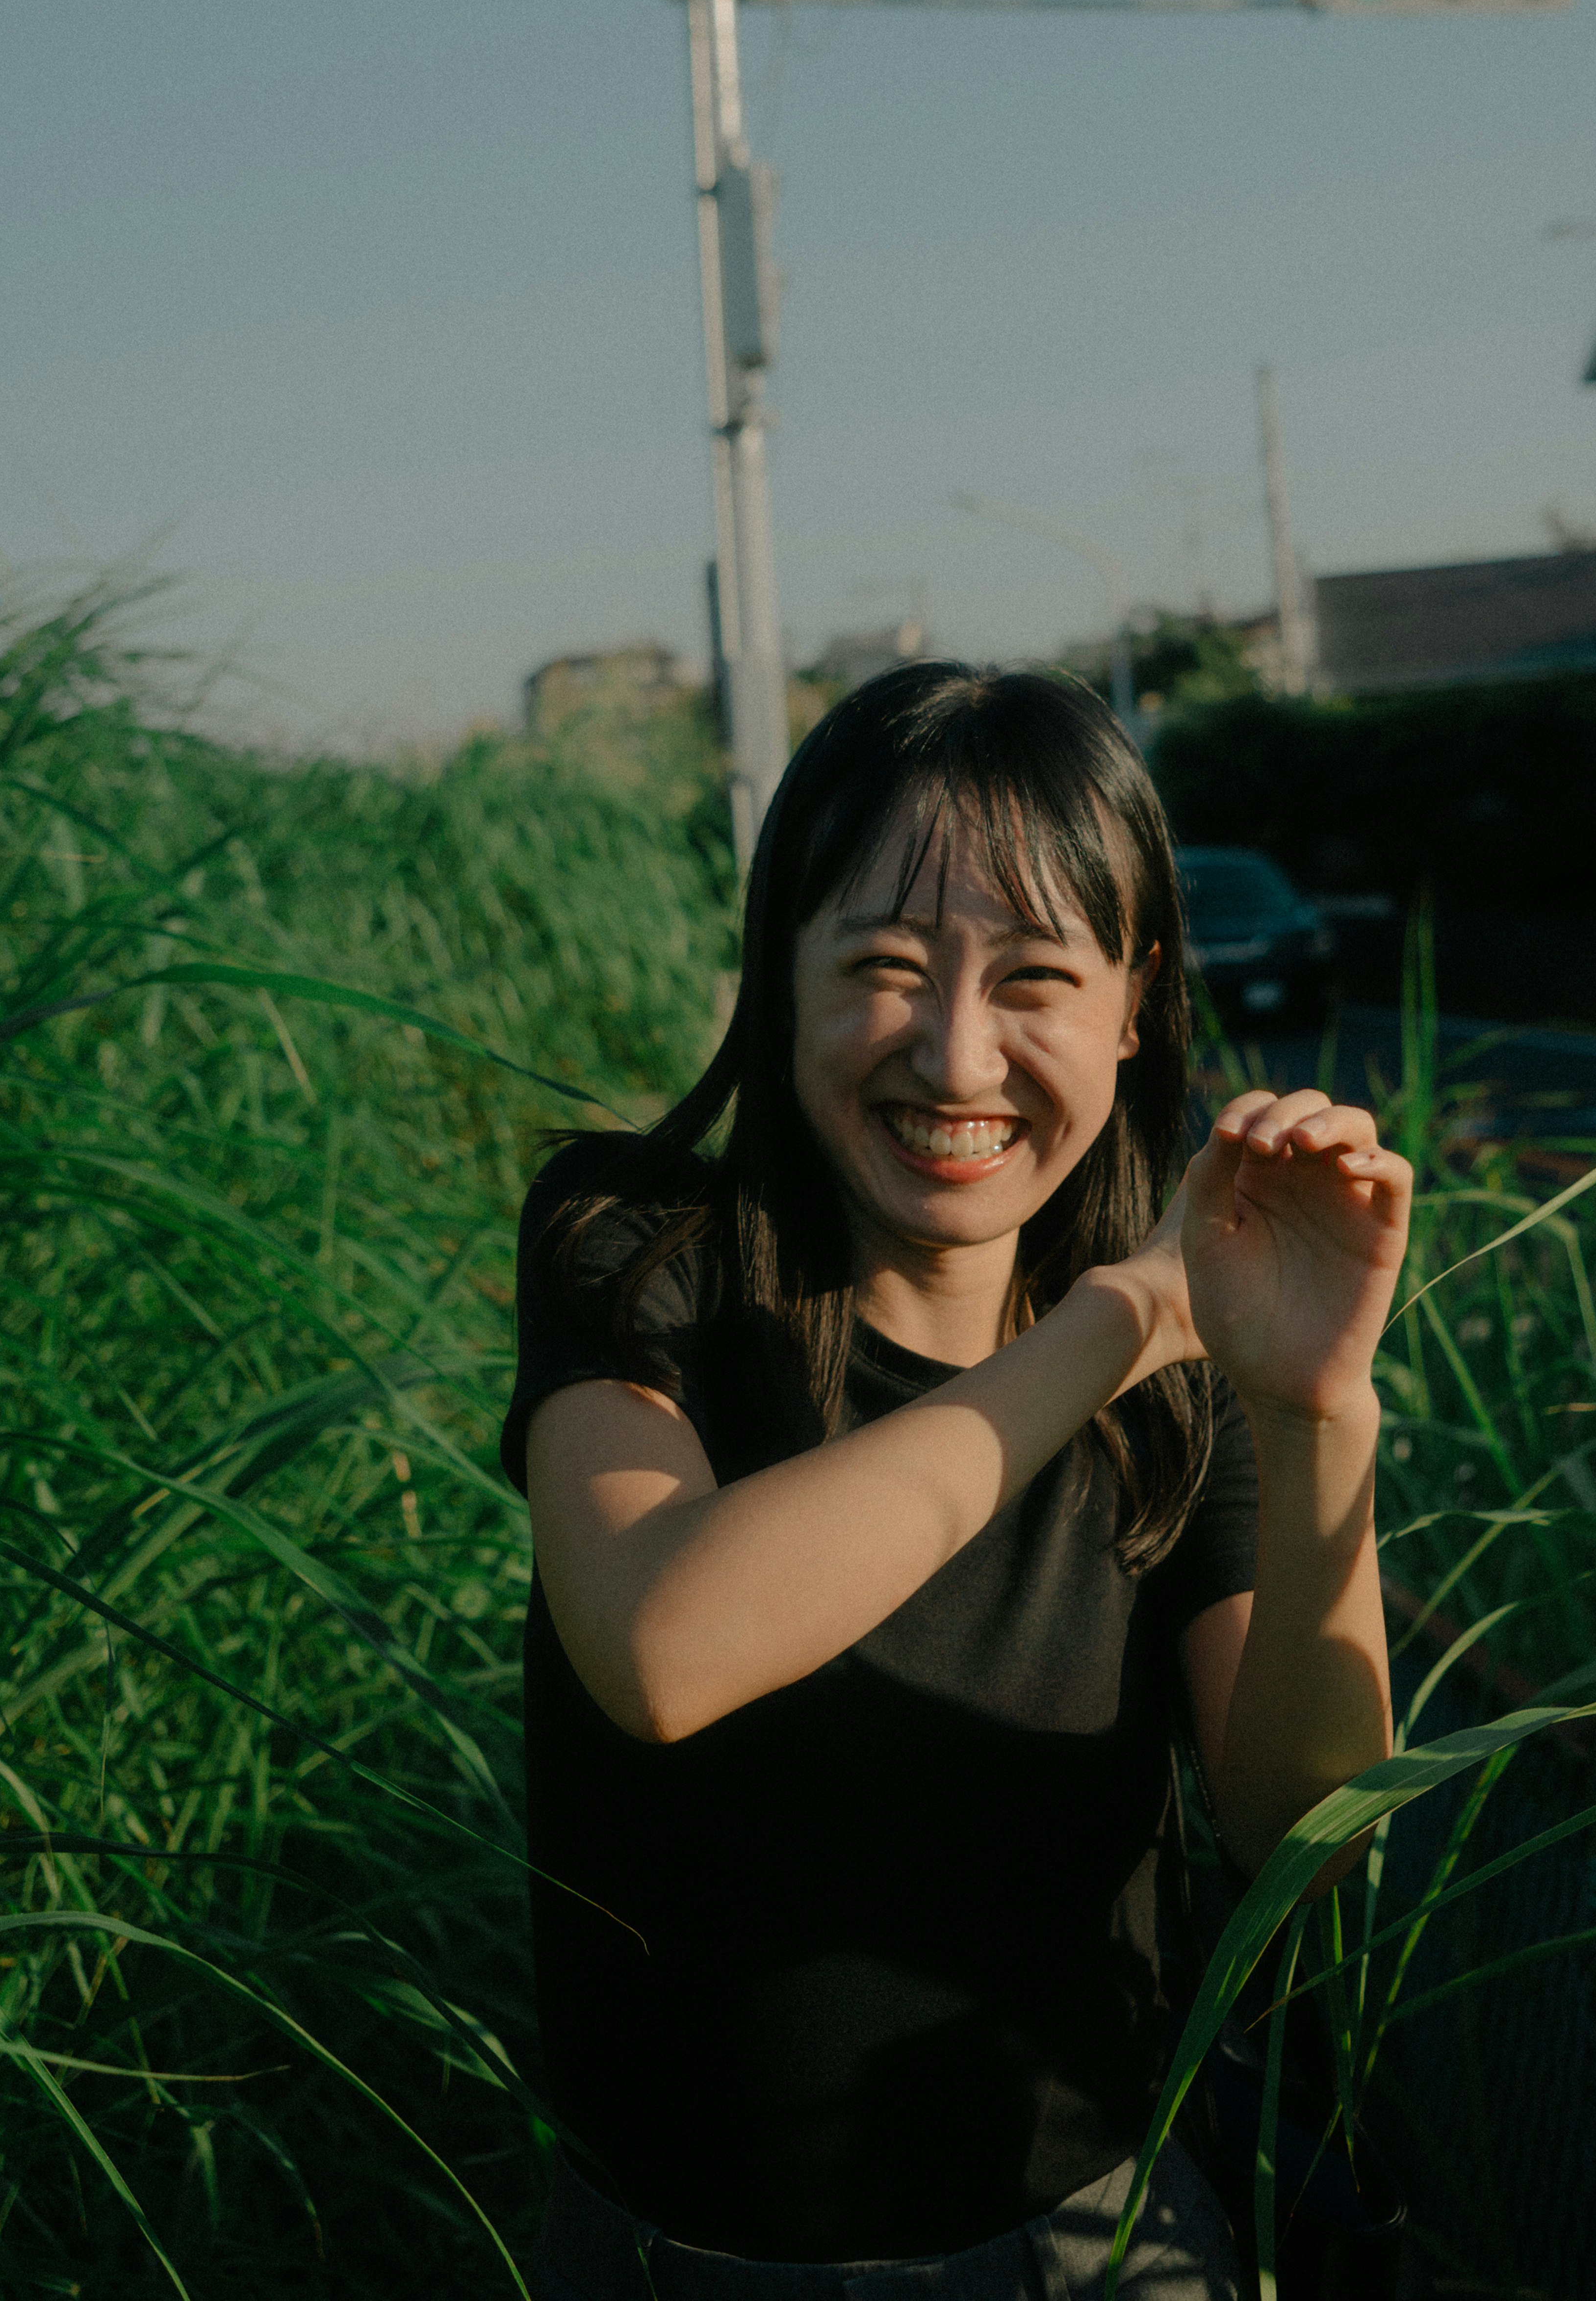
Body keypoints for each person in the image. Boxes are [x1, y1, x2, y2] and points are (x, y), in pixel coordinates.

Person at [503, 663, 1410, 2301]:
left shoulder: (1182, 1407)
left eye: (1039, 979)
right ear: (777, 974)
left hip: (1089, 2249)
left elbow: (1312, 1836)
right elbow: (661, 1649)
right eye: (886, 968)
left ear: (1133, 1005)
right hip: (679, 2266)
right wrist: (1130, 1311)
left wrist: (1319, 1412)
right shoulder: (637, 1259)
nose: (957, 1054)